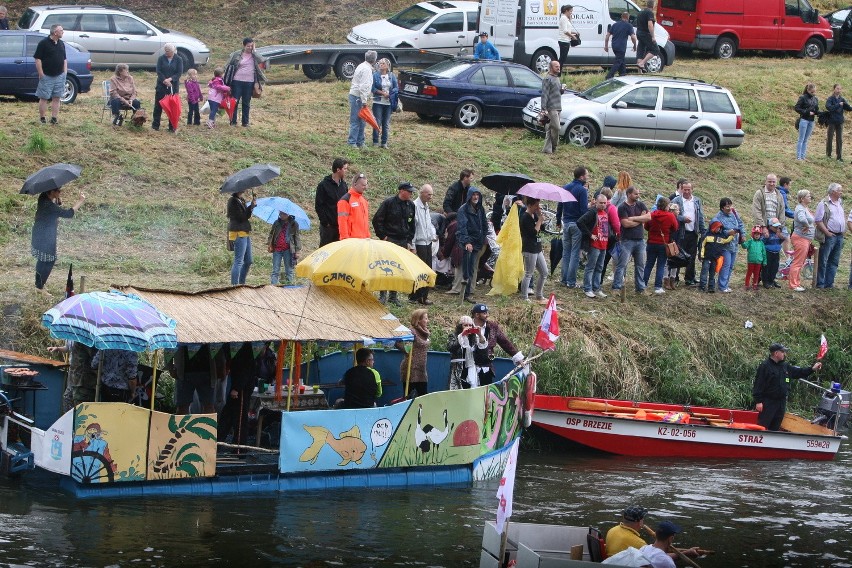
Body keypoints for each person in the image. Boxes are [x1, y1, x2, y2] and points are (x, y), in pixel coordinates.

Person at [753, 343, 822, 430]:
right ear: (776, 353)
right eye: (783, 352)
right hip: (768, 402)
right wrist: (758, 401)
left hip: (781, 402)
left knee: (776, 426)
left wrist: (812, 369)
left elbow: (799, 372)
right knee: (763, 425)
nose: (784, 354)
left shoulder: (785, 366)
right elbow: (759, 384)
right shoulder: (765, 366)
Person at [31, 188, 85, 291]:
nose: (60, 192)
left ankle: (38, 285)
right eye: (58, 191)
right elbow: (68, 214)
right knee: (49, 260)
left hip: (40, 234)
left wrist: (57, 199)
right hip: (45, 237)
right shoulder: (49, 206)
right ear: (51, 192)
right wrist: (80, 201)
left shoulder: (43, 196)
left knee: (42, 260)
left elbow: (55, 206)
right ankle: (39, 287)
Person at [373, 181, 416, 305]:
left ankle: (393, 295)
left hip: (403, 240)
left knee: (397, 268)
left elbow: (412, 224)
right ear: (401, 191)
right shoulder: (389, 203)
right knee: (386, 267)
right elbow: (377, 220)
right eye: (409, 191)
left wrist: (409, 240)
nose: (411, 194)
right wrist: (383, 236)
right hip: (390, 239)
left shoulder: (411, 205)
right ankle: (383, 295)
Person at [470, 303, 524, 386]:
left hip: (487, 366)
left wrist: (517, 357)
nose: (487, 315)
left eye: (487, 313)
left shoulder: (492, 326)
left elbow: (504, 342)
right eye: (484, 313)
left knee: (486, 394)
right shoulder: (467, 325)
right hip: (469, 366)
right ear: (477, 315)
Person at [613, 186, 651, 294]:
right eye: (635, 194)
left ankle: (640, 288)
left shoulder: (640, 204)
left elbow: (648, 217)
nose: (638, 196)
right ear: (629, 194)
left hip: (640, 240)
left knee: (640, 265)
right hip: (627, 240)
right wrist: (641, 219)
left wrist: (634, 218)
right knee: (622, 265)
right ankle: (616, 287)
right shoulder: (622, 207)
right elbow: (626, 224)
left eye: (638, 193)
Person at [557, 166, 590, 288]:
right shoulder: (582, 190)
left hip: (566, 223)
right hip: (577, 224)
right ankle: (571, 282)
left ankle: (563, 279)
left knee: (566, 253)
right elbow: (583, 210)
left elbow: (560, 205)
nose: (588, 177)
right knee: (575, 254)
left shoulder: (565, 187)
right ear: (581, 176)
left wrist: (558, 220)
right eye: (587, 175)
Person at [170, 344, 226, 415]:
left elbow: (217, 345)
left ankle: (207, 426)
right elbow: (169, 344)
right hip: (184, 374)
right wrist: (170, 367)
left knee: (209, 406)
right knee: (182, 407)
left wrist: (222, 367)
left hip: (207, 373)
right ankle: (181, 426)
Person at [218, 343, 256, 444]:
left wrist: (237, 388)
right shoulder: (229, 346)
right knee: (227, 415)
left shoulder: (246, 348)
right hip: (235, 381)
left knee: (240, 418)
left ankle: (239, 447)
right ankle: (218, 442)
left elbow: (246, 370)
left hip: (242, 387)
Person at [671, 180, 705, 286]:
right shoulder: (676, 200)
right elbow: (673, 215)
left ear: (692, 189)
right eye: (684, 189)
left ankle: (689, 278)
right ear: (681, 189)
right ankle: (674, 278)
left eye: (688, 189)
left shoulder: (697, 201)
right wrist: (682, 219)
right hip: (681, 232)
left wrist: (702, 230)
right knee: (678, 255)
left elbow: (700, 216)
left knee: (692, 255)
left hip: (693, 232)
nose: (686, 191)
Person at [456, 188, 488, 303]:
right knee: (467, 269)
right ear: (470, 196)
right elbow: (462, 228)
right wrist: (467, 242)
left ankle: (468, 293)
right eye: (473, 195)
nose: (475, 197)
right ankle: (465, 294)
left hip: (477, 243)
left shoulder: (480, 209)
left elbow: (484, 224)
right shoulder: (463, 210)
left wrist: (482, 236)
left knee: (472, 268)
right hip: (468, 244)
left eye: (477, 195)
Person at [226, 38, 267, 127]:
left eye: (251, 46)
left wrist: (254, 51)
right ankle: (233, 121)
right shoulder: (236, 54)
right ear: (244, 46)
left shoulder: (254, 55)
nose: (250, 48)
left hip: (249, 82)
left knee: (246, 102)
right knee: (235, 101)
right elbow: (228, 65)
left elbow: (262, 60)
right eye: (248, 46)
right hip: (237, 81)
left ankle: (245, 122)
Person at [643, 196, 678, 295]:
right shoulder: (670, 216)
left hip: (651, 242)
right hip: (663, 244)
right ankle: (657, 286)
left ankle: (643, 284)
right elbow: (675, 227)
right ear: (666, 206)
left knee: (649, 264)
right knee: (661, 265)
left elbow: (646, 227)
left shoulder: (652, 215)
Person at [578, 194, 610, 298]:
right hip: (594, 245)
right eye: (601, 203)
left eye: (605, 203)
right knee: (590, 267)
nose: (603, 205)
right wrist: (590, 234)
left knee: (600, 267)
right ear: (596, 202)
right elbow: (580, 222)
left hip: (603, 244)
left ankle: (596, 288)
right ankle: (587, 288)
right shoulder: (592, 212)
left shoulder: (605, 213)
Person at [33, 24, 67, 125]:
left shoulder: (61, 44)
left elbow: (64, 59)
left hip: (60, 75)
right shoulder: (43, 43)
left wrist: (64, 72)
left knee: (57, 98)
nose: (63, 32)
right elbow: (37, 59)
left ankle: (54, 118)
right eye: (61, 30)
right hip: (47, 75)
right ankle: (42, 118)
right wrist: (41, 73)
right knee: (44, 97)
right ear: (55, 32)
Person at [710, 197, 745, 293]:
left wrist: (743, 234)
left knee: (731, 266)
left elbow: (740, 223)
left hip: (735, 244)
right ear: (722, 208)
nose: (729, 208)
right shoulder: (718, 217)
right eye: (727, 206)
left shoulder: (734, 213)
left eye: (730, 205)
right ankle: (722, 286)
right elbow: (717, 230)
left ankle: (726, 284)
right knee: (726, 265)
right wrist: (727, 232)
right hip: (725, 245)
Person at [411, 184, 438, 305]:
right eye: (428, 194)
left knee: (427, 270)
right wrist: (412, 244)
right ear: (421, 193)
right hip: (419, 242)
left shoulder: (426, 206)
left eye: (431, 194)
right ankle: (415, 295)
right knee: (419, 270)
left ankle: (424, 295)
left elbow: (428, 223)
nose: (430, 197)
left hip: (427, 242)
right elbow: (414, 226)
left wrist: (433, 235)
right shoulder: (415, 206)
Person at [814, 183, 845, 289]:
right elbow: (818, 220)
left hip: (839, 236)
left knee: (834, 261)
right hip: (829, 235)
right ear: (833, 191)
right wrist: (827, 232)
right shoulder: (823, 203)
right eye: (839, 190)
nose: (841, 192)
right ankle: (820, 283)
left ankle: (829, 283)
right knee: (823, 260)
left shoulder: (840, 202)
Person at [315, 158, 350, 246]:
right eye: (345, 169)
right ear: (338, 170)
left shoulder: (344, 185)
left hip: (340, 226)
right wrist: (325, 222)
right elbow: (319, 205)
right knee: (325, 251)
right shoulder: (323, 185)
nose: (346, 171)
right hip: (328, 227)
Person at [519, 198, 548, 303]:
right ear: (530, 205)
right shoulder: (525, 217)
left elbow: (542, 229)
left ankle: (539, 294)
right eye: (536, 205)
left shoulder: (535, 215)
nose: (538, 207)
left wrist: (540, 219)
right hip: (529, 248)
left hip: (537, 247)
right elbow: (533, 232)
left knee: (544, 272)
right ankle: (524, 296)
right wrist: (539, 221)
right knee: (529, 273)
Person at [447, 316, 488, 389]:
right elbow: (450, 347)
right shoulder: (454, 336)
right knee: (457, 390)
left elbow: (482, 352)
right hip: (458, 368)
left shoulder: (474, 337)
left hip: (471, 367)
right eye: (465, 325)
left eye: (470, 325)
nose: (468, 327)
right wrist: (462, 335)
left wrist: (480, 335)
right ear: (460, 326)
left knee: (472, 388)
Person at [348, 50, 377, 148]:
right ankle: (352, 142)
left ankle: (360, 141)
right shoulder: (367, 70)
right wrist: (364, 101)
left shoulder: (362, 65)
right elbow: (363, 87)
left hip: (357, 95)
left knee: (362, 120)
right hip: (358, 97)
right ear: (374, 59)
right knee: (356, 120)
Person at [151, 44, 183, 132]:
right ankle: (155, 125)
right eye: (165, 51)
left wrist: (170, 79)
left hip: (173, 86)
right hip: (161, 85)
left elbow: (179, 72)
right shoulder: (161, 58)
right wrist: (164, 80)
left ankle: (172, 126)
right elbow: (158, 71)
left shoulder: (179, 59)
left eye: (168, 51)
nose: (166, 53)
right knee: (158, 106)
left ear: (173, 51)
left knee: (172, 106)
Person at [227, 190, 256, 285]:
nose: (244, 189)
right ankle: (234, 286)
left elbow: (246, 216)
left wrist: (251, 207)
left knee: (248, 260)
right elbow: (240, 217)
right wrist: (250, 207)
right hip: (238, 233)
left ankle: (241, 283)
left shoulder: (241, 200)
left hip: (245, 232)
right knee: (239, 261)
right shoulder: (232, 201)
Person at [400, 309, 430, 398]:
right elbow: (405, 348)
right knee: (408, 398)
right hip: (411, 369)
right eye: (426, 318)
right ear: (418, 320)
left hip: (421, 369)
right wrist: (410, 353)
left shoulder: (425, 332)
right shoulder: (411, 332)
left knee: (424, 398)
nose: (427, 321)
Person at [789, 189, 815, 292]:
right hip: (801, 238)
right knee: (797, 262)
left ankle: (796, 283)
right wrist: (807, 226)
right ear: (802, 198)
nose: (810, 197)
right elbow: (802, 218)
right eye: (808, 196)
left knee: (800, 262)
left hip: (805, 239)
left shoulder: (805, 207)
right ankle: (793, 285)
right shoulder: (800, 208)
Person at [698, 221, 734, 293]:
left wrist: (732, 235)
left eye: (720, 228)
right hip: (706, 258)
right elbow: (702, 246)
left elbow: (726, 240)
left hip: (715, 259)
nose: (719, 229)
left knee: (712, 273)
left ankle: (711, 287)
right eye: (717, 228)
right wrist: (701, 255)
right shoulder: (707, 236)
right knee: (704, 272)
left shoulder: (720, 237)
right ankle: (702, 286)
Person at [267, 212, 301, 285]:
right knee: (275, 270)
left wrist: (297, 250)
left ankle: (289, 286)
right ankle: (273, 286)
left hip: (288, 250)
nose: (281, 216)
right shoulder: (276, 223)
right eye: (280, 214)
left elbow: (297, 237)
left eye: (283, 214)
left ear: (288, 214)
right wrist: (270, 244)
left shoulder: (294, 224)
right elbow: (271, 234)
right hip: (277, 249)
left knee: (289, 270)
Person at [371, 58, 398, 148]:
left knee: (386, 123)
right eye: (380, 63)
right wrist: (382, 93)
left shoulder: (392, 76)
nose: (380, 64)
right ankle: (375, 141)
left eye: (383, 63)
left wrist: (390, 94)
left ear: (387, 66)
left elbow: (396, 88)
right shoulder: (375, 75)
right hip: (378, 101)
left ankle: (384, 142)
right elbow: (372, 88)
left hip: (388, 103)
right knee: (377, 122)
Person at [604, 12, 637, 79]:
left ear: (621, 17)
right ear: (628, 18)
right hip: (621, 46)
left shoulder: (615, 25)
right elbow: (633, 37)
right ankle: (609, 76)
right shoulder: (629, 25)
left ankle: (622, 74)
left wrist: (606, 46)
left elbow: (607, 36)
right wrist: (635, 45)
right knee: (618, 61)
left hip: (614, 46)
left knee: (621, 60)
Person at [338, 173, 371, 239]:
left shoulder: (364, 200)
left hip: (364, 240)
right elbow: (342, 221)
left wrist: (367, 236)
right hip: (352, 241)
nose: (365, 187)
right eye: (363, 185)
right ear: (355, 184)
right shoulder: (345, 200)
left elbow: (365, 222)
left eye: (366, 185)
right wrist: (345, 239)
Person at [825, 83, 852, 161]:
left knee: (839, 139)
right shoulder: (830, 98)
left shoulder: (842, 99)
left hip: (840, 121)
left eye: (840, 89)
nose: (839, 90)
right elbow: (829, 107)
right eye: (837, 88)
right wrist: (838, 105)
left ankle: (839, 157)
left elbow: (848, 108)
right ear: (834, 89)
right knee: (830, 138)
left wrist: (849, 107)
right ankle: (828, 155)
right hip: (832, 121)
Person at [541, 60, 562, 154]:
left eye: (559, 66)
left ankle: (547, 149)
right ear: (551, 68)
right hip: (551, 108)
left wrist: (562, 90)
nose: (558, 68)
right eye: (556, 66)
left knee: (550, 129)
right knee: (557, 128)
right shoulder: (547, 79)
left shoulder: (557, 78)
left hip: (558, 107)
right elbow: (544, 94)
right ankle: (554, 146)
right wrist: (544, 108)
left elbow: (557, 92)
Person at [762, 218, 790, 289]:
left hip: (776, 252)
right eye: (775, 227)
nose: (777, 228)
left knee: (775, 267)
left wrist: (780, 236)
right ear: (770, 226)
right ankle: (766, 281)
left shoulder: (778, 233)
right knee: (767, 267)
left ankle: (772, 280)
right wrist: (766, 237)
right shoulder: (767, 233)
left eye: (778, 226)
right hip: (768, 252)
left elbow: (782, 240)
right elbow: (762, 242)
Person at [794, 83, 818, 160]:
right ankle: (798, 157)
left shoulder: (815, 99)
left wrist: (819, 113)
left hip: (811, 121)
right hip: (804, 120)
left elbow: (816, 109)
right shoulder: (803, 97)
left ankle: (803, 156)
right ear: (808, 90)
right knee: (801, 139)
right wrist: (807, 112)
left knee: (806, 140)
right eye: (812, 92)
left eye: (814, 92)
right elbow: (797, 108)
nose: (813, 93)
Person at [635, 0, 660, 73]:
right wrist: (653, 36)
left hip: (639, 33)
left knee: (641, 50)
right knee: (655, 49)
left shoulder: (641, 12)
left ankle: (639, 71)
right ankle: (642, 63)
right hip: (645, 33)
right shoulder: (649, 13)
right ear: (653, 6)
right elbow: (650, 25)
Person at [557, 5, 579, 71]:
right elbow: (565, 31)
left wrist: (575, 33)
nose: (571, 13)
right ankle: (557, 71)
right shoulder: (563, 18)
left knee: (563, 58)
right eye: (570, 11)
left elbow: (568, 29)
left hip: (566, 40)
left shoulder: (566, 18)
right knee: (562, 58)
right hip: (563, 40)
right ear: (566, 11)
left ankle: (558, 71)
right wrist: (572, 36)